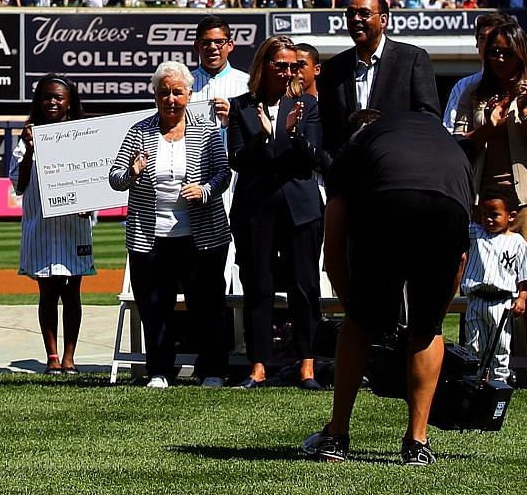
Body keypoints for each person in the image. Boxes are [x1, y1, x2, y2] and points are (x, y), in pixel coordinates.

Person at [302, 109, 475, 467]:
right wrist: (435, 313)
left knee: (360, 324)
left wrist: (357, 310)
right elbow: (460, 256)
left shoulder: (356, 146)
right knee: (428, 331)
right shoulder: (440, 138)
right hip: (450, 200)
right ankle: (417, 443)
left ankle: (336, 436)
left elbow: (332, 244)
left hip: (391, 198)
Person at [447, 16, 527, 387]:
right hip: (481, 198)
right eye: (492, 51)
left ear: (520, 54)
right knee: (477, 279)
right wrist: (488, 129)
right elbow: (457, 143)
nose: (497, 59)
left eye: (505, 52)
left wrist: (525, 113)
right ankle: (476, 362)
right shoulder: (472, 92)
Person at [110, 60, 233, 389]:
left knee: (206, 305)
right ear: (154, 95)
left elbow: (224, 174)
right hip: (150, 236)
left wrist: (204, 190)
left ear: (189, 94)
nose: (171, 99)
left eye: (177, 92)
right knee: (154, 306)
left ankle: (212, 370)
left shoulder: (206, 131)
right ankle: (160, 371)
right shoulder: (139, 131)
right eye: (163, 92)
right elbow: (115, 177)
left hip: (202, 235)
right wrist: (132, 172)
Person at [227, 36, 324, 389]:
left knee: (304, 286)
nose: (287, 72)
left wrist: (291, 133)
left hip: (301, 207)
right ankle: (258, 365)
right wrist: (262, 138)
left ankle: (307, 365)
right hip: (256, 208)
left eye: (292, 66)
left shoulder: (307, 105)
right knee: (258, 286)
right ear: (264, 66)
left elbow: (312, 156)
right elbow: (238, 160)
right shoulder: (242, 107)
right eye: (279, 65)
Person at [10, 76, 95, 374]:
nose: (53, 102)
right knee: (48, 293)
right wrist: (30, 148)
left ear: (70, 101)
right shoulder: (27, 136)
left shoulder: (82, 134)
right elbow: (18, 185)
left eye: (59, 97)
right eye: (47, 97)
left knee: (72, 293)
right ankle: (52, 357)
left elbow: (92, 178)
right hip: (42, 227)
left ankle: (70, 357)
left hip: (73, 227)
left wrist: (88, 202)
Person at [317, 0, 439, 157]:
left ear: (383, 20)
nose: (356, 19)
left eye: (364, 13)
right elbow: (327, 129)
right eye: (351, 14)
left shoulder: (412, 60)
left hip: (398, 168)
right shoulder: (333, 68)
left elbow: (428, 121)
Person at [459, 195, 527, 384]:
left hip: (502, 302)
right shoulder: (475, 233)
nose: (488, 219)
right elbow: (459, 222)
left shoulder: (517, 242)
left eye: (494, 215)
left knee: (501, 345)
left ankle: (498, 383)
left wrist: (521, 299)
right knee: (474, 344)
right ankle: (474, 382)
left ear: (510, 216)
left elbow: (525, 276)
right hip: (476, 299)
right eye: (485, 214)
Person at [187, 17, 248, 127]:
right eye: (206, 42)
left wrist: (234, 116)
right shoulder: (183, 84)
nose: (212, 47)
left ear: (230, 45)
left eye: (219, 42)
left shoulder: (248, 84)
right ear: (197, 46)